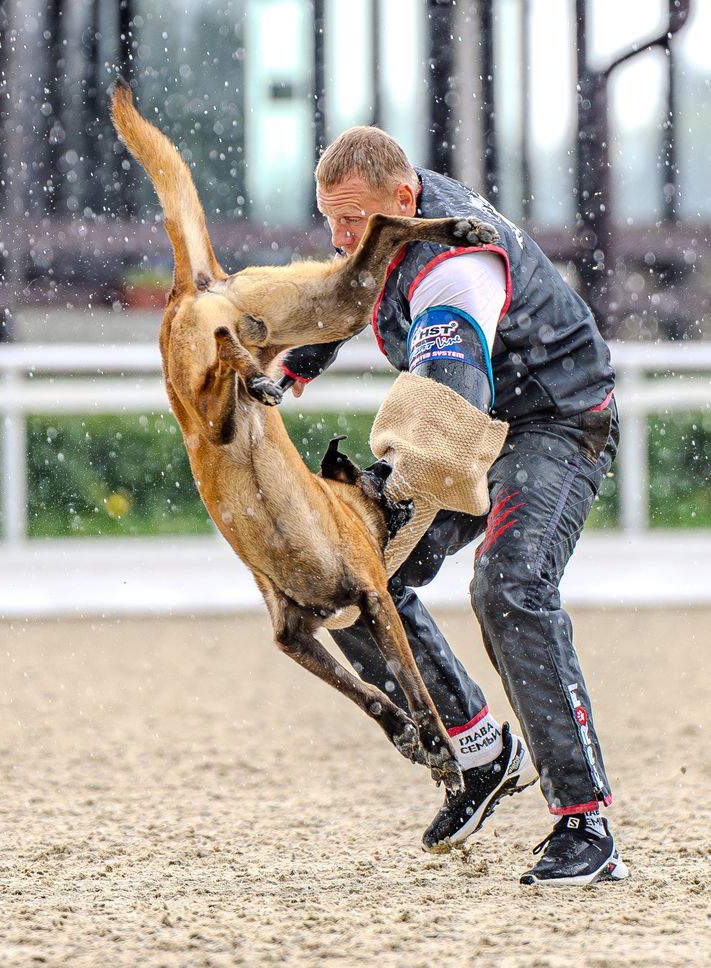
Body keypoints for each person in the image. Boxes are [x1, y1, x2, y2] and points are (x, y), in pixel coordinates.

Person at [278, 126, 628, 886]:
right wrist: (290, 367)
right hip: (480, 412)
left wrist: (386, 490)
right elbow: (352, 284)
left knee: (509, 588)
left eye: (354, 222)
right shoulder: (388, 214)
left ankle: (584, 824)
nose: (340, 240)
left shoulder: (454, 270)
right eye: (328, 221)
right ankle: (477, 752)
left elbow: (444, 422)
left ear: (404, 200)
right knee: (346, 579)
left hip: (555, 421)